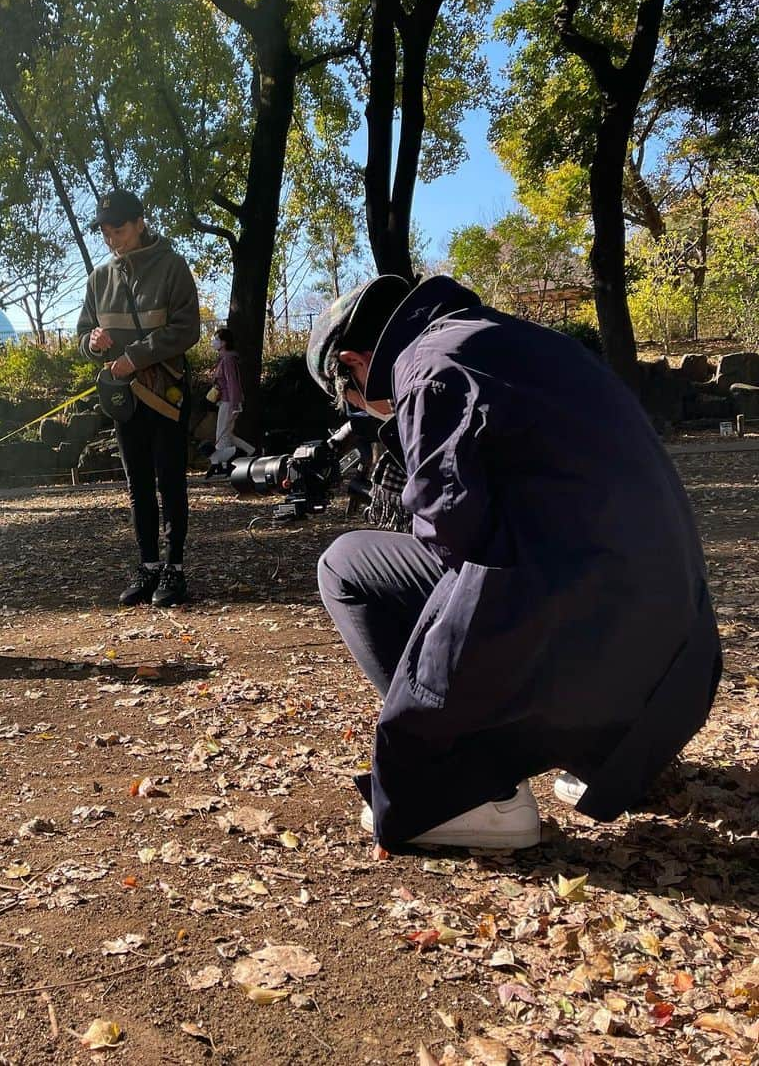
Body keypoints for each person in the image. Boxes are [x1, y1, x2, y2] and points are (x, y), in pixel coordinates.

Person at [307, 273, 721, 853]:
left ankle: (471, 788)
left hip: (577, 635)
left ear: (352, 363)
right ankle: (602, 750)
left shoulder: (428, 364)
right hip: (670, 675)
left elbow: (451, 530)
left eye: (351, 398)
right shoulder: (525, 341)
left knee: (344, 563)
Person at [77, 189, 201, 606]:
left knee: (170, 481)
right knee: (137, 486)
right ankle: (147, 566)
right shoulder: (99, 278)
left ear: (141, 222)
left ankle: (175, 568)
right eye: (106, 232)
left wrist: (134, 356)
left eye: (120, 229)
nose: (113, 239)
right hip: (124, 399)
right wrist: (93, 343)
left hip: (165, 394)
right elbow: (82, 336)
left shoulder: (172, 266)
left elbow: (186, 330)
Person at [205, 326, 254, 478]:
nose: (214, 342)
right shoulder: (225, 359)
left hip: (228, 402)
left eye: (217, 339)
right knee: (227, 434)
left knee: (222, 435)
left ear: (224, 343)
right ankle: (249, 450)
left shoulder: (227, 359)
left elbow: (232, 383)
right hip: (225, 401)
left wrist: (234, 404)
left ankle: (223, 466)